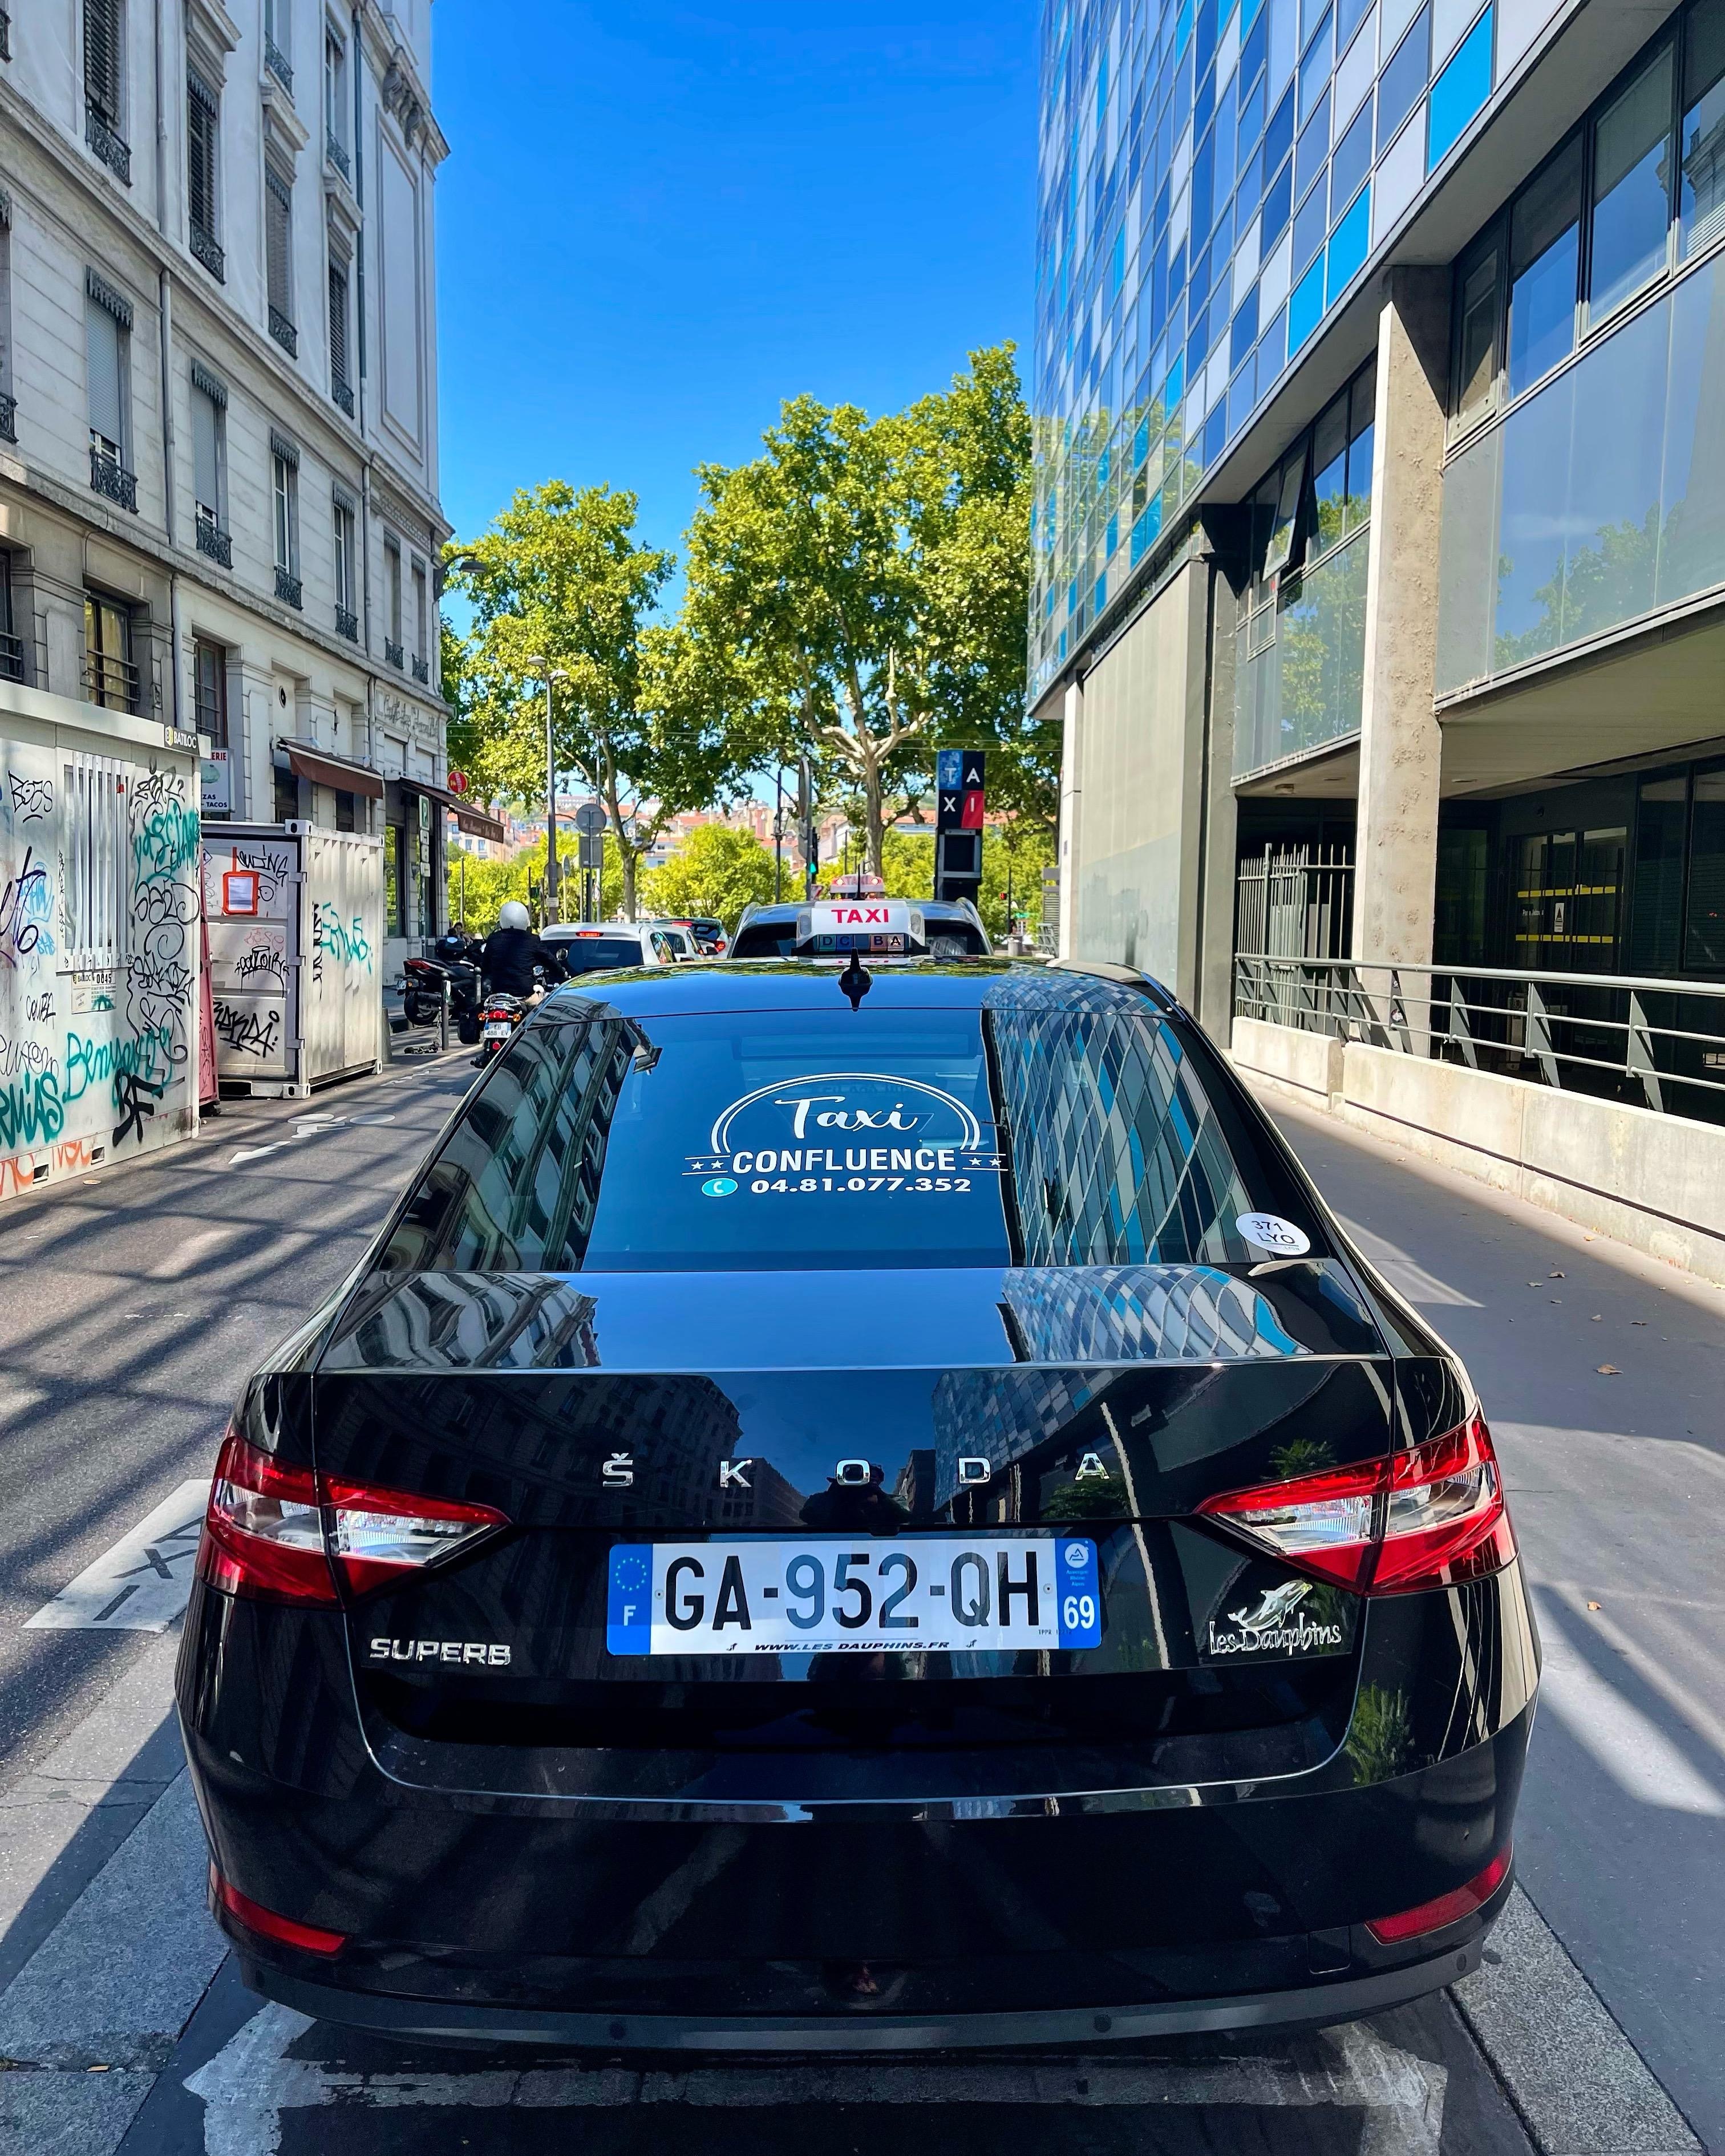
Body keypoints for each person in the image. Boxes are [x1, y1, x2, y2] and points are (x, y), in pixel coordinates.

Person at [477, 901, 566, 998]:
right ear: (525, 920)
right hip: (524, 994)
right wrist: (561, 972)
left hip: (498, 993)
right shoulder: (532, 940)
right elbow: (549, 960)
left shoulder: (493, 938)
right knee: (542, 1003)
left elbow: (485, 964)